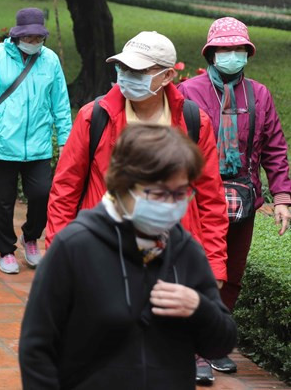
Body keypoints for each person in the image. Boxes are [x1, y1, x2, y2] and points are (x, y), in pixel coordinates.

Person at [20, 124, 237, 390]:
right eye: (158, 193)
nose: (171, 204)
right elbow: (37, 348)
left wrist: (199, 308)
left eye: (180, 193)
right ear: (124, 186)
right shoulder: (75, 247)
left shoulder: (185, 250)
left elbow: (221, 343)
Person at [46, 31, 229, 291]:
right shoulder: (94, 117)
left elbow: (210, 198)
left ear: (167, 76)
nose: (127, 76)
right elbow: (64, 191)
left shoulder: (193, 122)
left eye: (138, 71)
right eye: (123, 68)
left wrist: (214, 265)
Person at [178, 17, 291, 377]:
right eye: (225, 49)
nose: (232, 54)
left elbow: (274, 148)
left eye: (239, 48)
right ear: (211, 53)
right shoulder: (188, 92)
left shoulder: (258, 94)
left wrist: (282, 196)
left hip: (243, 198)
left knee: (233, 276)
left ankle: (212, 341)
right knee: (200, 272)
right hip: (198, 199)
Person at [0, 8, 72, 274]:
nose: (34, 42)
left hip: (38, 146)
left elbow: (61, 104)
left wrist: (65, 140)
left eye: (39, 38)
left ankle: (31, 237)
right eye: (29, 38)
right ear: (17, 36)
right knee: (2, 202)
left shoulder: (50, 60)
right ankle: (6, 251)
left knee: (42, 194)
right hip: (1, 146)